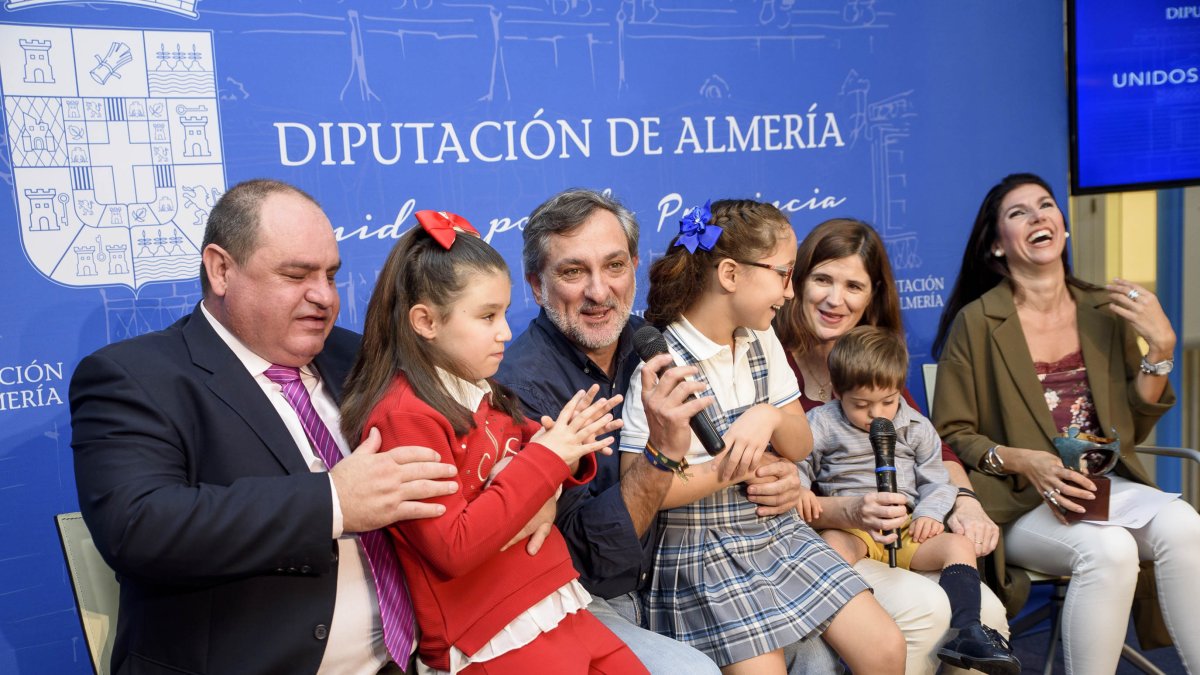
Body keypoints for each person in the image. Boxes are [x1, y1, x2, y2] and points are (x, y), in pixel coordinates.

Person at [69, 179, 461, 674]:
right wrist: (334, 502)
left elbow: (456, 442)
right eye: (296, 275)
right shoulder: (136, 377)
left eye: (331, 275)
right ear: (221, 270)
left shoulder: (357, 354)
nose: (323, 296)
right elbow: (139, 527)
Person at [496, 189, 837, 674]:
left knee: (820, 657)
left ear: (635, 265)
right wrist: (666, 460)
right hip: (583, 594)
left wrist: (779, 473)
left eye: (614, 266)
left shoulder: (650, 340)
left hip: (683, 567)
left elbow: (758, 443)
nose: (598, 291)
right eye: (573, 272)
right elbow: (586, 559)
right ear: (535, 285)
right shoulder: (521, 386)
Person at [338, 210, 646, 674]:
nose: (505, 331)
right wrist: (543, 464)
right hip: (489, 632)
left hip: (550, 599)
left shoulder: (481, 387)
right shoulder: (404, 416)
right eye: (487, 316)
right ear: (425, 321)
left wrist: (572, 446)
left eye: (503, 312)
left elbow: (539, 461)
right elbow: (455, 546)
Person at [619, 199, 905, 674]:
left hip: (775, 532)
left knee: (885, 647)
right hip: (700, 552)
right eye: (783, 274)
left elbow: (799, 446)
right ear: (730, 274)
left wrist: (767, 415)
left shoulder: (761, 337)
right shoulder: (662, 362)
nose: (790, 293)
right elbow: (640, 487)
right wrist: (739, 467)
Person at [931, 172, 1200, 673]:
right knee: (1111, 550)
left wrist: (1160, 350)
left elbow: (1132, 425)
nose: (1038, 216)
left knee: (1186, 523)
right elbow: (951, 434)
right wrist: (1023, 460)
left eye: (1046, 205)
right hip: (1017, 503)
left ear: (1063, 226)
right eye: (1018, 213)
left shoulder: (1104, 309)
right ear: (996, 245)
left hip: (1101, 489)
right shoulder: (978, 321)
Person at [773, 217, 1009, 674]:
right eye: (822, 279)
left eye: (853, 286)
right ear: (796, 282)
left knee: (990, 614)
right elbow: (785, 480)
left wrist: (965, 503)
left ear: (873, 295)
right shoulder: (773, 359)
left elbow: (935, 453)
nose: (834, 299)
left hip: (904, 531)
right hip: (827, 538)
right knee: (928, 612)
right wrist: (850, 511)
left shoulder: (879, 367)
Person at [801, 326, 1019, 675]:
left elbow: (937, 480)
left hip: (905, 529)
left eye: (888, 401)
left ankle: (968, 629)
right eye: (861, 404)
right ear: (837, 391)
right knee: (832, 547)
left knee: (959, 545)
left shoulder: (916, 426)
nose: (878, 415)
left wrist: (931, 513)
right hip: (853, 526)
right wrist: (800, 490)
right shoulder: (821, 422)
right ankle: (823, 630)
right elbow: (799, 464)